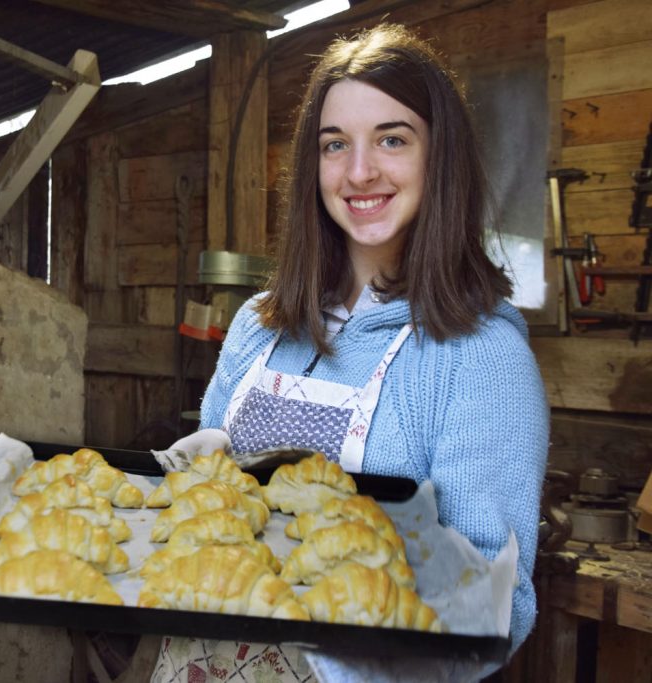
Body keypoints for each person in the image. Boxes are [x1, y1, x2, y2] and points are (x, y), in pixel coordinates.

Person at [150, 23, 549, 682]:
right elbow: (208, 506)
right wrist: (199, 462)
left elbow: (491, 603)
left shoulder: (478, 357)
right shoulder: (259, 325)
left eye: (392, 139)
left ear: (438, 155)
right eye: (336, 146)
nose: (360, 171)